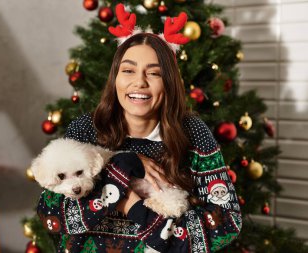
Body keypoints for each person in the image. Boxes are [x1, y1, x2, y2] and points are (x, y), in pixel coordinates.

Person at [37, 14, 242, 253]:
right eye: (128, 71)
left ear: (169, 82)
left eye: (153, 73)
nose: (139, 82)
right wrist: (123, 164)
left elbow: (227, 222)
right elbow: (51, 216)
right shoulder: (86, 129)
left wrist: (136, 209)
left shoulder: (193, 134)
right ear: (115, 78)